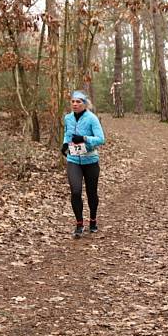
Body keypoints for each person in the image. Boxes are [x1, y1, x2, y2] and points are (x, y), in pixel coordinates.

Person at [61, 91, 105, 238]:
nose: (74, 104)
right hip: (73, 160)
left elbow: (100, 139)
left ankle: (93, 220)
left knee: (91, 193)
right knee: (75, 191)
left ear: (85, 104)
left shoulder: (92, 119)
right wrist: (65, 144)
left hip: (90, 160)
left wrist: (85, 138)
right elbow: (67, 134)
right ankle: (79, 224)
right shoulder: (68, 118)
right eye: (73, 101)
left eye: (78, 102)